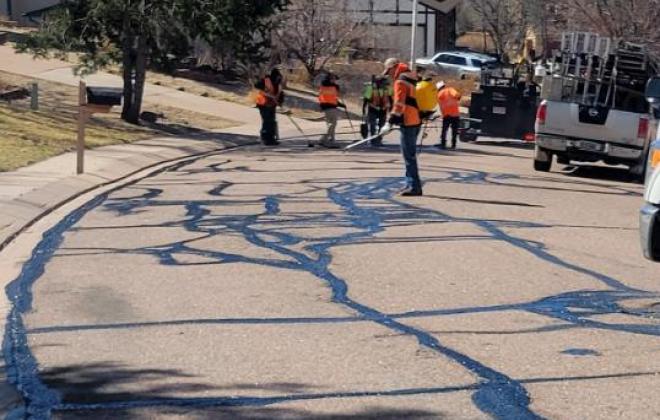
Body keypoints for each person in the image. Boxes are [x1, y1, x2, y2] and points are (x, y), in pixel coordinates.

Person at [389, 69, 423, 197]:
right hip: (416, 121)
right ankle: (409, 184)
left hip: (408, 122)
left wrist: (391, 120)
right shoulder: (412, 82)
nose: (390, 75)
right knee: (410, 155)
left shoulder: (400, 82)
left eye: (390, 72)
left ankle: (414, 186)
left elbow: (399, 103)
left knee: (409, 156)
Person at [255, 68, 284, 146]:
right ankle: (265, 138)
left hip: (272, 105)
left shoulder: (278, 84)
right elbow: (257, 87)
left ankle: (271, 138)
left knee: (272, 121)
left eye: (279, 78)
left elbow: (280, 94)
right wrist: (269, 94)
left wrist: (280, 102)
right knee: (267, 121)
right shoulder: (266, 80)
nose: (279, 79)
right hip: (263, 104)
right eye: (278, 77)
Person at [362, 75, 391, 147]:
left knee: (382, 126)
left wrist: (390, 109)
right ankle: (373, 140)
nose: (385, 84)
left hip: (383, 109)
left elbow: (390, 99)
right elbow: (366, 100)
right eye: (384, 83)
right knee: (373, 125)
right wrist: (363, 110)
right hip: (373, 109)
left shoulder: (387, 88)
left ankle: (379, 139)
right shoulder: (370, 88)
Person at [318, 72, 345, 149]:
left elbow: (329, 98)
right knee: (332, 125)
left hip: (326, 107)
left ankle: (332, 140)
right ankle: (323, 139)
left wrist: (340, 105)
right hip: (331, 108)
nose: (335, 80)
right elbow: (332, 98)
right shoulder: (333, 87)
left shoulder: (322, 86)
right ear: (330, 79)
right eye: (334, 79)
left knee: (330, 125)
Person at [436, 81, 462, 149]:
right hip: (455, 114)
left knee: (444, 130)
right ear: (444, 86)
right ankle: (453, 145)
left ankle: (443, 144)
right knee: (454, 131)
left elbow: (441, 106)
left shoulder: (438, 94)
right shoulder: (450, 89)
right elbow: (457, 95)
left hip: (446, 115)